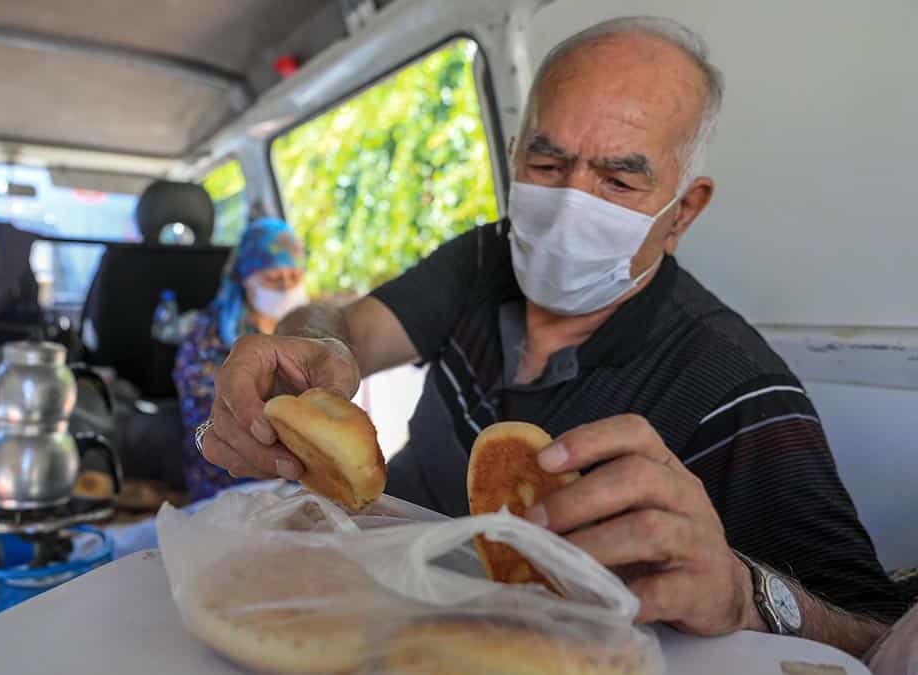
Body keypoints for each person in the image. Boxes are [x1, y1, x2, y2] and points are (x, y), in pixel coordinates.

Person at [194, 16, 905, 656]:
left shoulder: (735, 389)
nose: (570, 203)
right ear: (512, 157)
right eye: (547, 163)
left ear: (684, 210)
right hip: (371, 604)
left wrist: (745, 591)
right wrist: (309, 349)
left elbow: (875, 633)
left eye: (620, 181)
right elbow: (341, 328)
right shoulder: (483, 261)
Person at [172, 217, 307, 503]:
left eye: (294, 277)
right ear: (245, 279)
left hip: (294, 476)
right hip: (225, 479)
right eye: (273, 279)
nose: (285, 288)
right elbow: (205, 418)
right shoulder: (208, 335)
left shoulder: (306, 332)